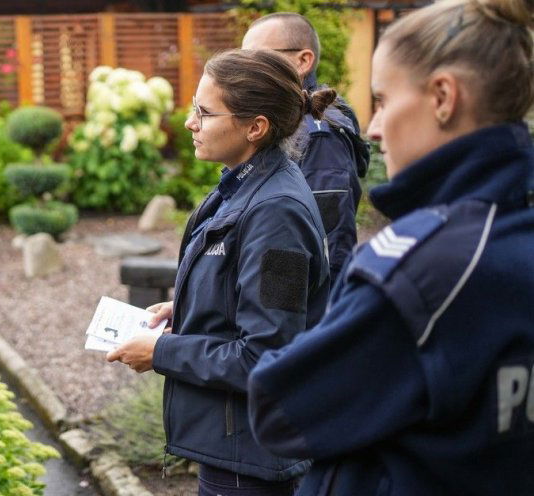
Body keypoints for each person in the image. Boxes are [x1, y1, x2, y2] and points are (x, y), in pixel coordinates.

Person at [247, 0, 534, 492]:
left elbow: (280, 409)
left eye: (382, 100)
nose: (374, 128)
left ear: (443, 96)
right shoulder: (511, 230)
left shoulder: (420, 267)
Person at [107, 49, 331, 495]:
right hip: (235, 445)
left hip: (251, 458)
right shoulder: (241, 184)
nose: (190, 122)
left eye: (204, 113)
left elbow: (268, 355)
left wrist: (162, 352)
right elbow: (249, 299)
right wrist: (188, 306)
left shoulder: (278, 214)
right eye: (194, 108)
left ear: (255, 127)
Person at [242, 13, 370, 277]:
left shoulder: (318, 135)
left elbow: (328, 245)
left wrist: (280, 310)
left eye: (258, 57)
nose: (246, 68)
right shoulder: (285, 121)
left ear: (303, 61)